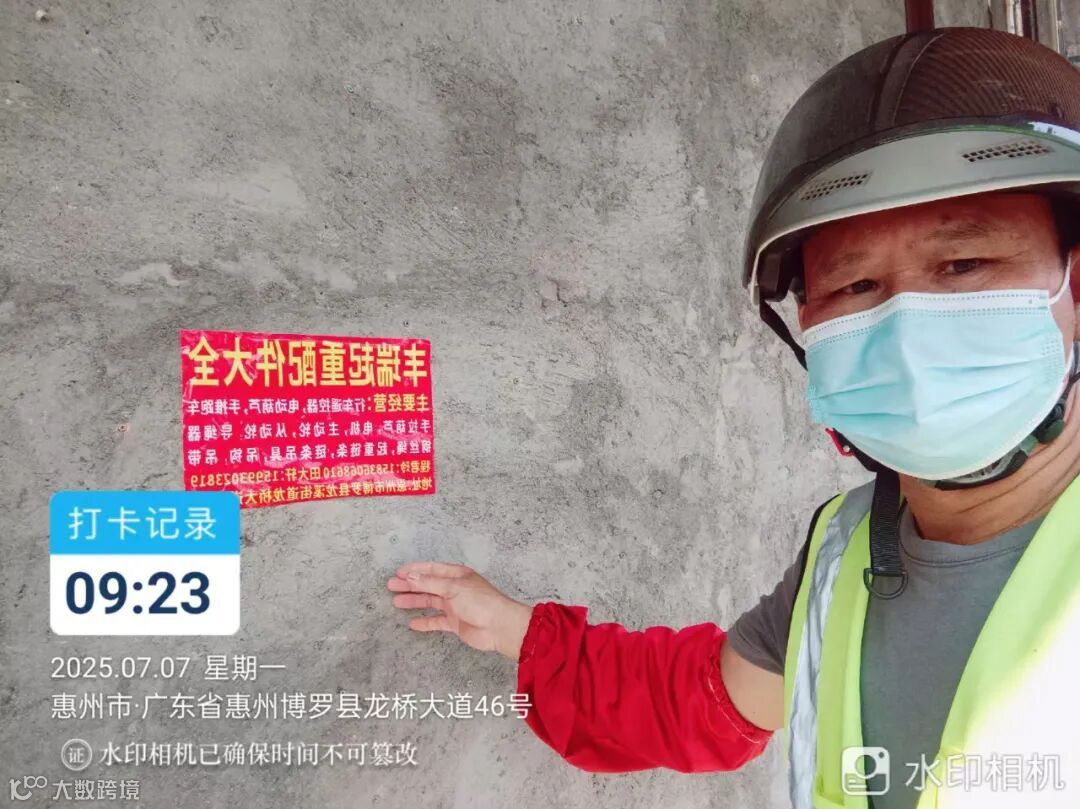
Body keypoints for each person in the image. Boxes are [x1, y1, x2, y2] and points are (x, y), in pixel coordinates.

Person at [386, 27, 1080, 809]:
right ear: (807, 325)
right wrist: (518, 630)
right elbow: (702, 701)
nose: (908, 326)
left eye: (964, 264)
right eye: (855, 285)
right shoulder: (847, 551)